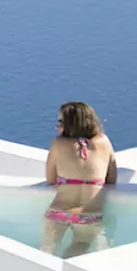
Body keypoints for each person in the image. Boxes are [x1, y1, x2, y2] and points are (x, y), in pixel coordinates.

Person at [41, 101, 117, 257]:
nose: (57, 127)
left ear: (72, 124)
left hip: (58, 211)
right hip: (89, 215)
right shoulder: (104, 142)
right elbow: (111, 180)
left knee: (45, 251)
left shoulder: (58, 144)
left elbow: (50, 179)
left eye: (61, 122)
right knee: (78, 248)